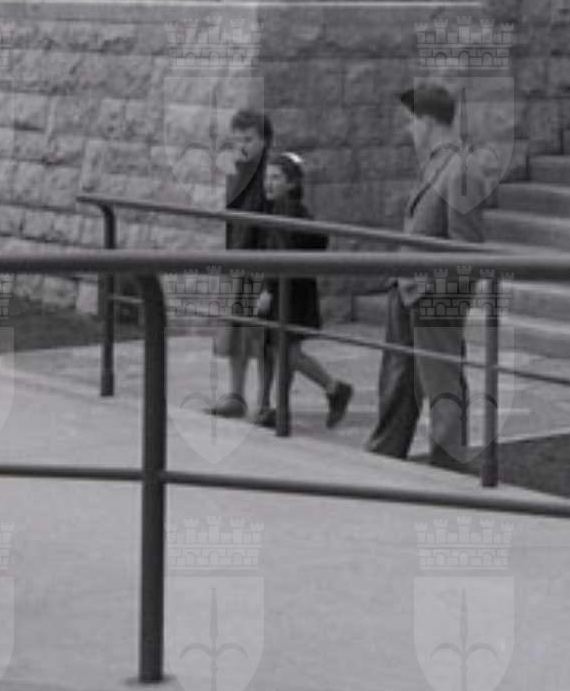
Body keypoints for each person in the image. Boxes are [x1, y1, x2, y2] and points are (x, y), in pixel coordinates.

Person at [368, 82, 486, 471]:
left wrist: (438, 296)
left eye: (411, 122)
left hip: (430, 295)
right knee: (399, 381)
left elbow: (467, 249)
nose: (409, 131)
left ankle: (448, 464)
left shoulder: (461, 170)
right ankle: (386, 453)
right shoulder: (439, 164)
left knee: (441, 382)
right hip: (409, 289)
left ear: (428, 121)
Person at [251, 151, 353, 430]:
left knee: (287, 350)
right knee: (273, 347)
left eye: (276, 178)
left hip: (289, 292)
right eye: (267, 178)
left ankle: (333, 388)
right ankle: (273, 407)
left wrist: (268, 289)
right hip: (287, 288)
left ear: (292, 183)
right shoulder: (282, 209)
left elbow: (284, 254)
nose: (269, 183)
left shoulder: (290, 211)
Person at [208, 109, 273, 420]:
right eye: (238, 140)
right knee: (234, 332)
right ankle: (235, 395)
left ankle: (264, 400)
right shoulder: (236, 173)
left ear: (264, 140)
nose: (242, 146)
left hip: (260, 262)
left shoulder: (271, 174)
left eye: (248, 140)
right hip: (236, 260)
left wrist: (268, 280)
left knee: (259, 336)